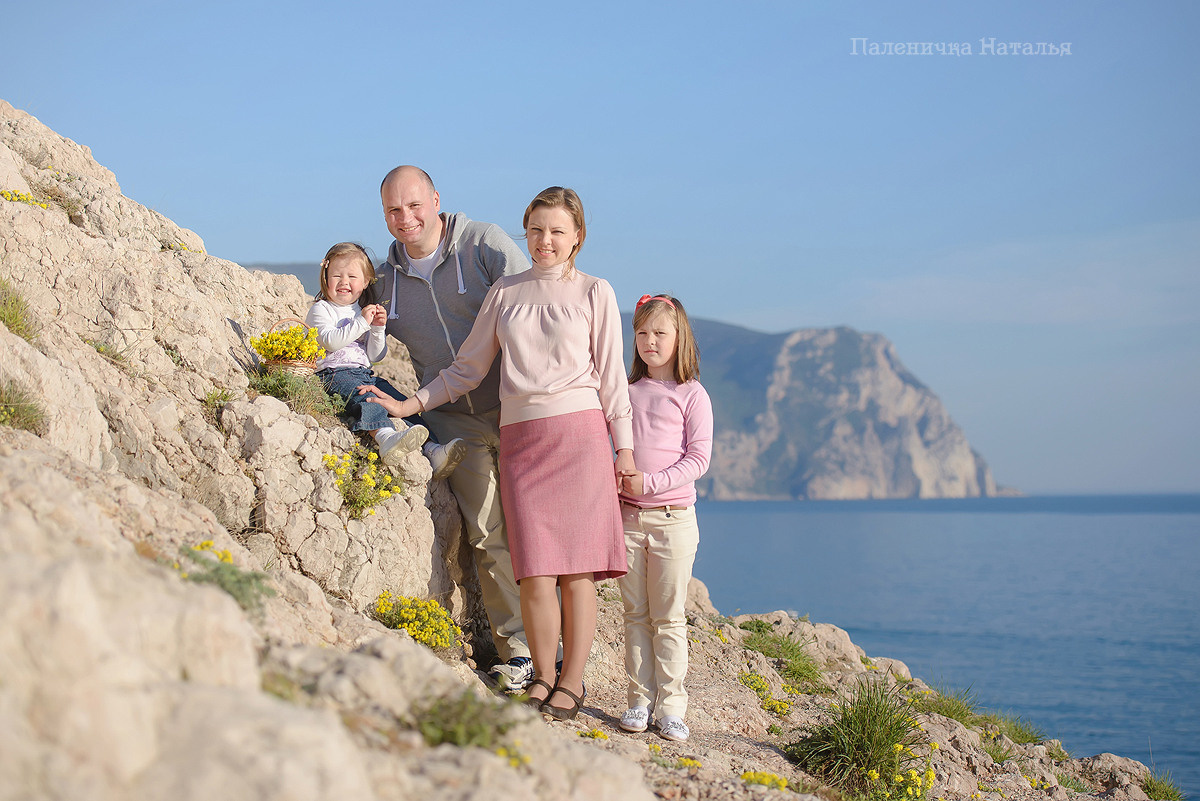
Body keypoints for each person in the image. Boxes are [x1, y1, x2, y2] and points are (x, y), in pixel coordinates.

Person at [361, 186, 633, 721]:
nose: (545, 241)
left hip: (579, 438)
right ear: (524, 233)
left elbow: (613, 379)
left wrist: (623, 449)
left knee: (576, 572)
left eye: (557, 231)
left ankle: (572, 683)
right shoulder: (505, 293)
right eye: (535, 230)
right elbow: (467, 368)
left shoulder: (595, 291)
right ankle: (542, 677)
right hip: (523, 441)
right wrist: (409, 402)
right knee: (533, 568)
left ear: (577, 236)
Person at [371, 166, 535, 689]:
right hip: (450, 419)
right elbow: (351, 325)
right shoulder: (386, 280)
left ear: (436, 199)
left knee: (538, 528)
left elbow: (536, 305)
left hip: (519, 409)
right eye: (394, 210)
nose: (406, 218)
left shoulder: (483, 245)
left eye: (415, 205)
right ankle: (521, 653)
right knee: (489, 532)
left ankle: (564, 647)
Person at [615, 293, 713, 743]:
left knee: (669, 616)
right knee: (635, 614)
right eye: (642, 333)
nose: (650, 341)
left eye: (660, 333)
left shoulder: (692, 394)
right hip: (629, 519)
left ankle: (671, 705)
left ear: (680, 338)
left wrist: (649, 484)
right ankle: (639, 699)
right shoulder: (624, 391)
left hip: (674, 519)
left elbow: (699, 459)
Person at [304, 241, 466, 477]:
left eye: (352, 276)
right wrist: (362, 323)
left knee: (397, 400)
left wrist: (378, 329)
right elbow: (330, 342)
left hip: (363, 372)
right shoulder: (321, 309)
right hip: (333, 373)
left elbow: (375, 356)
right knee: (367, 398)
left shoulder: (361, 310)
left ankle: (432, 448)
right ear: (325, 275)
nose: (343, 282)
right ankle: (385, 437)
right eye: (336, 275)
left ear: (366, 281)